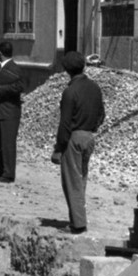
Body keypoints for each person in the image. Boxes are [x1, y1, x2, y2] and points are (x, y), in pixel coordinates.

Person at [50, 51, 104, 234]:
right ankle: (78, 218)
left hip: (74, 138)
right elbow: (101, 115)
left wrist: (59, 147)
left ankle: (78, 224)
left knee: (72, 182)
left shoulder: (69, 92)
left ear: (66, 70)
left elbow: (65, 124)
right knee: (81, 180)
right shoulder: (95, 88)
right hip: (89, 137)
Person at [0, 41, 23, 183]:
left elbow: (19, 87)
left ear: (0, 53)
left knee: (7, 143)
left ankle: (8, 174)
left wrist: (1, 89)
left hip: (9, 112)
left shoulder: (14, 68)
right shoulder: (1, 67)